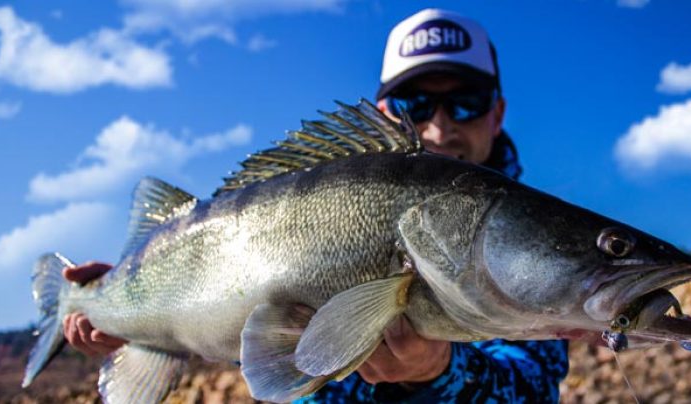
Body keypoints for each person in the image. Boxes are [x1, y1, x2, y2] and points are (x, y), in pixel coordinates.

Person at [63, 8, 569, 403]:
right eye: (417, 104)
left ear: (498, 112)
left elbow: (534, 388)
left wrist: (436, 374)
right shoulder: (318, 192)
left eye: (466, 102)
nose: (440, 126)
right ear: (386, 112)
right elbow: (269, 361)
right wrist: (135, 299)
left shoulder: (535, 245)